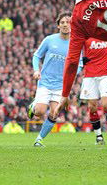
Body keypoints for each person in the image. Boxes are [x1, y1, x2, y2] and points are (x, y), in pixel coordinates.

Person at [27, 12, 79, 147]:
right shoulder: (49, 40)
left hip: (60, 85)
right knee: (39, 112)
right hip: (45, 82)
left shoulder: (76, 43)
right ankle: (33, 106)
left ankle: (39, 140)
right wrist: (36, 70)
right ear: (58, 26)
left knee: (55, 114)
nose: (65, 25)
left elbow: (79, 64)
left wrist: (73, 76)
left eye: (68, 22)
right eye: (62, 22)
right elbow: (36, 56)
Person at [80, 38, 107, 145]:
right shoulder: (86, 31)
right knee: (92, 106)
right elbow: (75, 47)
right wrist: (81, 59)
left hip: (106, 73)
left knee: (106, 106)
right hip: (90, 74)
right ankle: (99, 136)